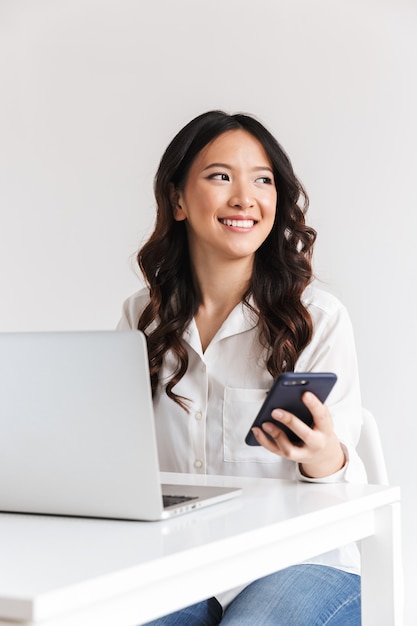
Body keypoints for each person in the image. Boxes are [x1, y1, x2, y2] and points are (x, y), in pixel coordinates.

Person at [118, 110, 367, 625]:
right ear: (178, 199)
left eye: (263, 180)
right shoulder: (140, 317)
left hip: (301, 561)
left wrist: (324, 456)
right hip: (176, 563)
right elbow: (116, 456)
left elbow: (347, 489)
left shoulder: (317, 319)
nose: (244, 198)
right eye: (220, 176)